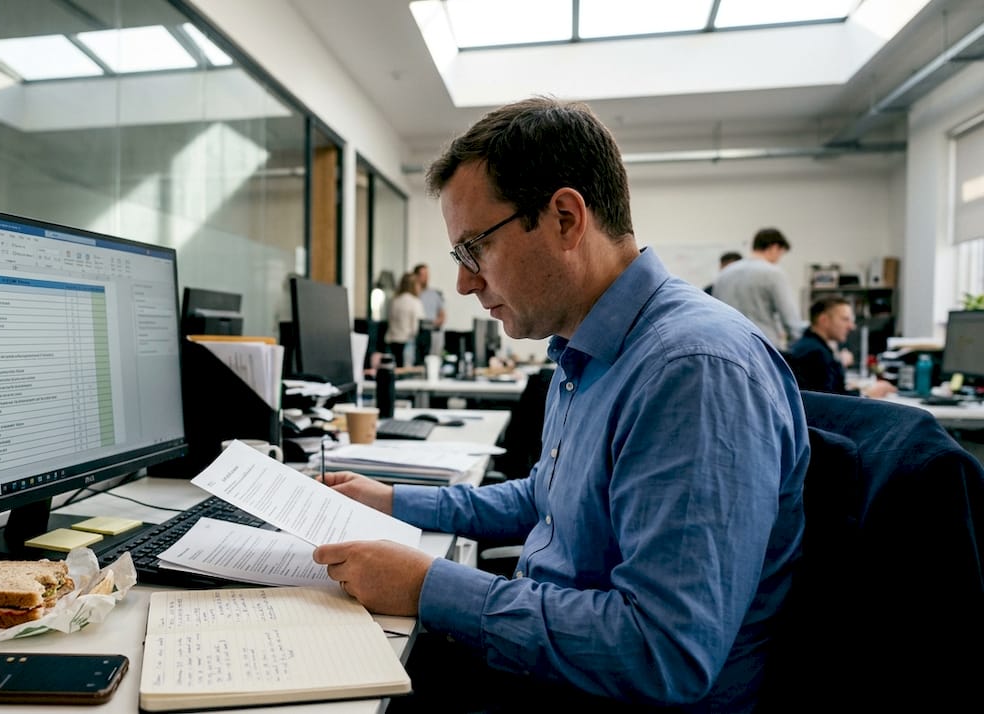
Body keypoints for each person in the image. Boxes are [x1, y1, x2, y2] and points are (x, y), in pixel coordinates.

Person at [313, 96, 809, 712]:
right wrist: (392, 500)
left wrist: (427, 586)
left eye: (474, 249)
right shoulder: (589, 350)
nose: (464, 282)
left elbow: (663, 652)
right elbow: (546, 497)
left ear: (566, 219)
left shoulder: (692, 370)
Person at [711, 228, 806, 350]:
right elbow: (790, 319)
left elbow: (715, 311)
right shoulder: (773, 273)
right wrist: (797, 346)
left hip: (728, 344)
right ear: (774, 247)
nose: (779, 258)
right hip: (761, 345)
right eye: (781, 253)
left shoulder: (724, 273)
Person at [787, 295, 897, 398]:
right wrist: (866, 394)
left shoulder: (811, 346)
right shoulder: (815, 353)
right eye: (845, 319)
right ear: (824, 320)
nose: (851, 326)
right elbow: (829, 401)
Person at [383, 271, 425, 367]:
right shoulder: (415, 302)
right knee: (405, 371)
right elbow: (415, 327)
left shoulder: (394, 301)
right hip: (407, 342)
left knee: (393, 369)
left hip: (392, 340)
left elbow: (390, 319)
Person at [413, 263, 446, 362]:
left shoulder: (434, 294)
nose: (427, 277)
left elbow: (442, 315)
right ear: (416, 276)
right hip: (415, 334)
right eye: (423, 275)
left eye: (427, 274)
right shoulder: (412, 295)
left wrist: (434, 323)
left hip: (432, 333)